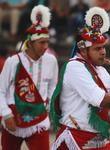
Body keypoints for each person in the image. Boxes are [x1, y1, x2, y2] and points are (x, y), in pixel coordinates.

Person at [50, 6, 110, 150]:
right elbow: (102, 100)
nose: (103, 52)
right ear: (83, 50)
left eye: (103, 47)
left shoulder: (100, 69)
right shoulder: (74, 67)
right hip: (76, 137)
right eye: (97, 49)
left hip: (99, 138)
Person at [0, 5, 58, 150]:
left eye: (47, 42)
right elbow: (0, 90)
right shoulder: (13, 62)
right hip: (13, 119)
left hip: (39, 119)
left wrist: (51, 108)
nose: (46, 47)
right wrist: (6, 114)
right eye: (41, 42)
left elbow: (52, 88)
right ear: (29, 43)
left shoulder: (51, 61)